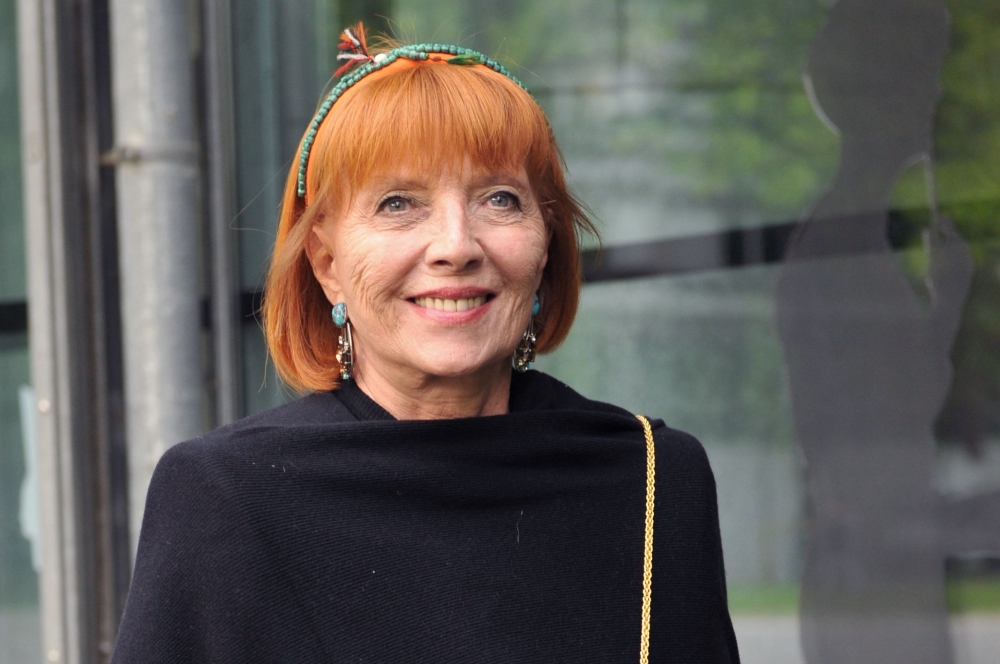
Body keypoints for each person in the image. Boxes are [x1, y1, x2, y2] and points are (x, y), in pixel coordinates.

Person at [112, 25, 739, 663]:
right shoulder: (224, 498)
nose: (456, 246)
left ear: (546, 246)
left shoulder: (655, 482)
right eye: (398, 204)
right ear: (326, 262)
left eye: (499, 199)